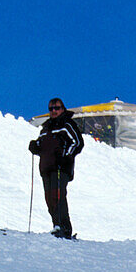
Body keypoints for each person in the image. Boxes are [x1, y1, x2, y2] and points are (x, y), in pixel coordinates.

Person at [29, 97, 84, 239]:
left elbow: (77, 142)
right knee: (49, 198)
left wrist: (66, 156)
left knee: (58, 196)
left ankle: (64, 229)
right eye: (51, 109)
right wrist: (35, 146)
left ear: (63, 109)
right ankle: (57, 226)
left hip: (60, 166)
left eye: (57, 108)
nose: (54, 111)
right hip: (46, 166)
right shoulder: (46, 127)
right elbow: (42, 145)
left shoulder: (67, 124)